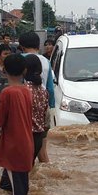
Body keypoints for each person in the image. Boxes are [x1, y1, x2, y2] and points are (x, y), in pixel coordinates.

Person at [0, 54, 34, 195]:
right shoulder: (27, 91)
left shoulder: (7, 93)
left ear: (4, 70)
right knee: (6, 186)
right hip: (25, 143)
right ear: (25, 71)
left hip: (13, 146)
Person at [19, 32, 56, 163]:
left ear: (21, 46)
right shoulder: (46, 61)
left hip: (22, 108)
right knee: (42, 151)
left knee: (21, 153)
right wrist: (51, 109)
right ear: (38, 45)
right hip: (42, 107)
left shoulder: (17, 60)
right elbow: (50, 89)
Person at [24, 54, 49, 164]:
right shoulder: (43, 91)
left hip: (26, 136)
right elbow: (45, 116)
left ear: (24, 70)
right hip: (38, 137)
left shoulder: (23, 91)